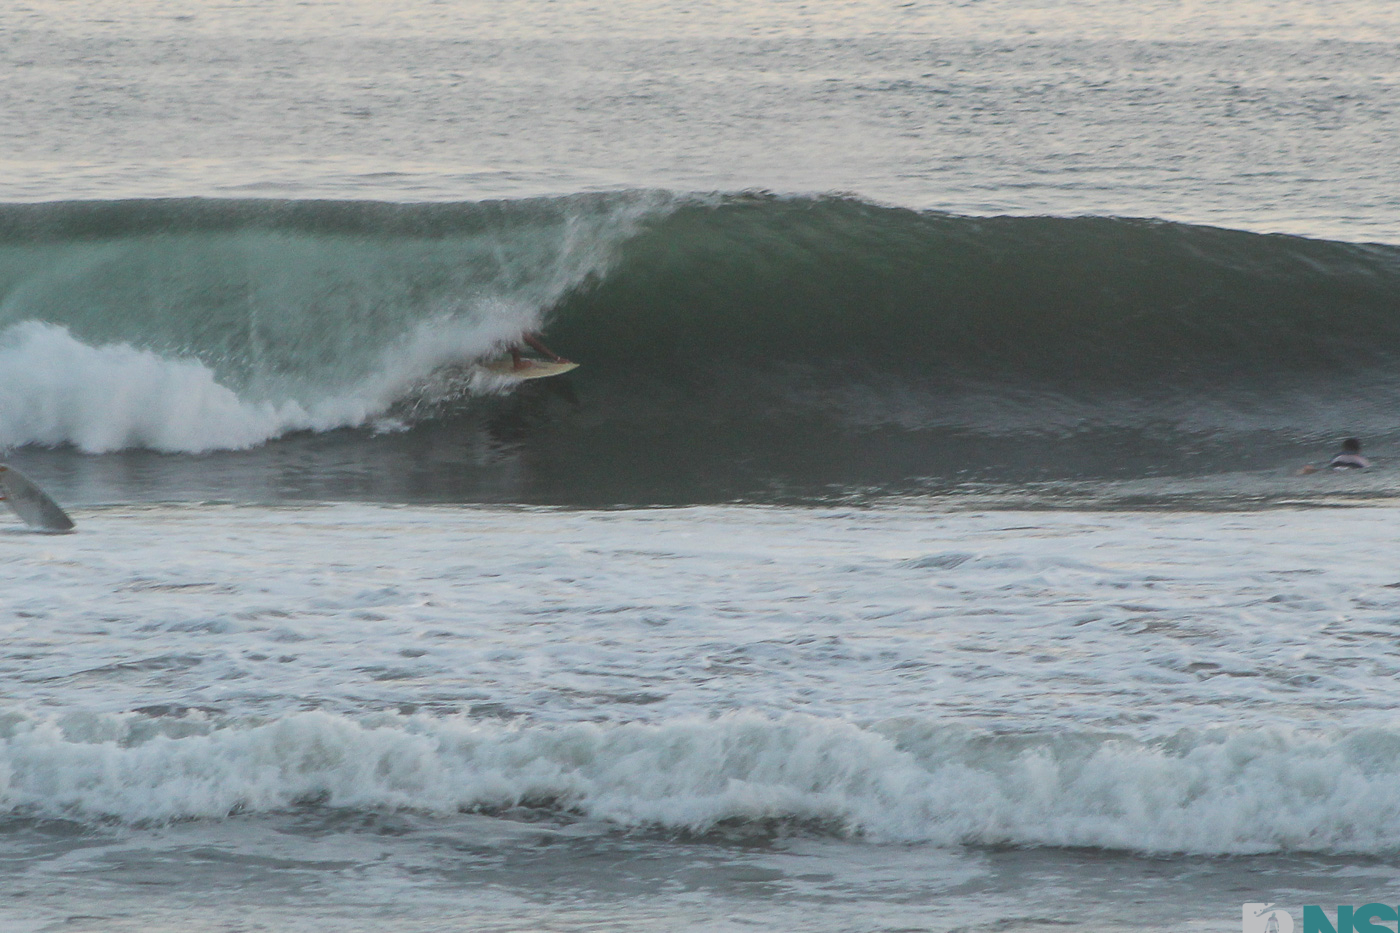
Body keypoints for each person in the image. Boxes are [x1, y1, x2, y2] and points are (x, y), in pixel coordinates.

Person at [1299, 437, 1371, 474]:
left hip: (1338, 460)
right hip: (1357, 463)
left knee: (1329, 470)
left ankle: (1309, 470)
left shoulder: (1338, 456)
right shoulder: (1362, 458)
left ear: (1344, 448)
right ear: (1359, 449)